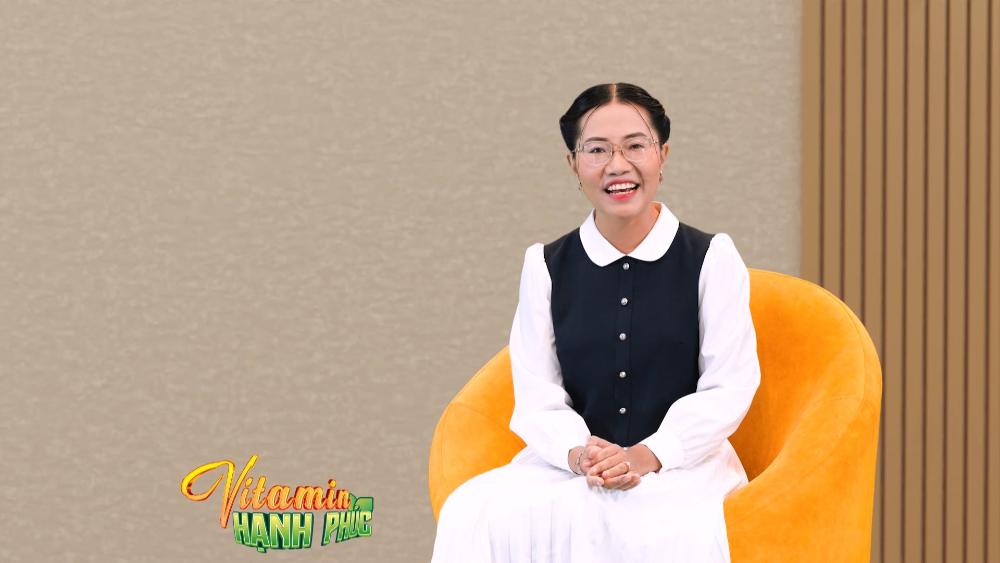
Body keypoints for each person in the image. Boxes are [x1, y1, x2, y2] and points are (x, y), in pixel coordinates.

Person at [430, 82, 761, 563]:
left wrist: (646, 455)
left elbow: (729, 387)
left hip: (681, 467)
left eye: (635, 146)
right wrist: (581, 454)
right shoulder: (545, 265)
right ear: (573, 164)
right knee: (474, 511)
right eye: (597, 150)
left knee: (662, 530)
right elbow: (538, 394)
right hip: (574, 468)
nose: (617, 165)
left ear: (663, 155)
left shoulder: (712, 257)